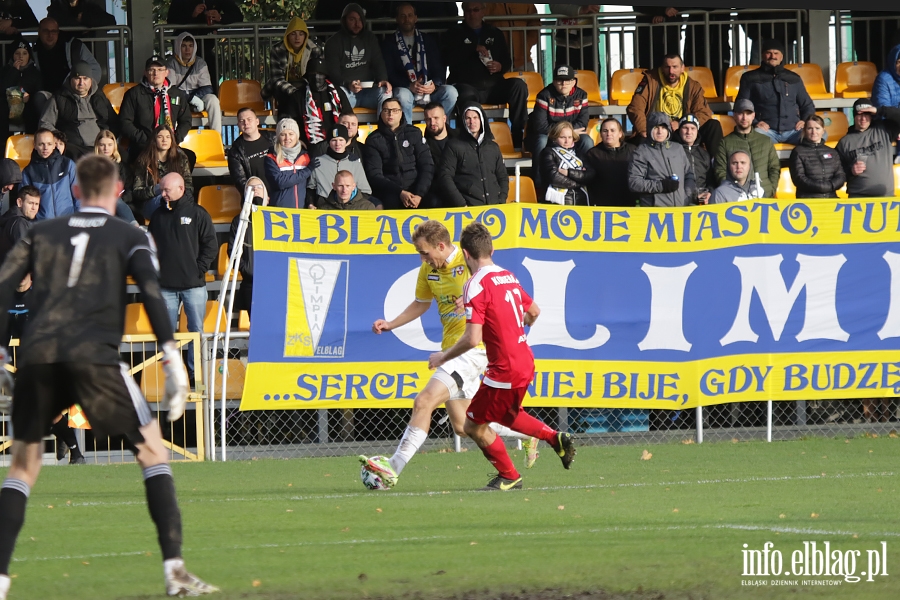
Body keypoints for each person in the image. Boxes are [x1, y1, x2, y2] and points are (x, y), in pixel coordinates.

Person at [0, 154, 218, 598]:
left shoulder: (41, 231)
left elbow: (4, 285)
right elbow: (153, 293)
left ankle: (0, 580)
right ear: (117, 190)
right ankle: (175, 571)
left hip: (40, 357)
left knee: (22, 468)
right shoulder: (128, 233)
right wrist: (172, 355)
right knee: (153, 453)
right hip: (95, 359)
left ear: (76, 191)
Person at [363, 220, 538, 489]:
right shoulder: (427, 270)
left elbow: (490, 290)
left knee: (424, 401)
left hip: (472, 349)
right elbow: (421, 303)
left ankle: (392, 468)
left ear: (441, 246)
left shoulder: (469, 264)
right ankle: (525, 434)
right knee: (463, 425)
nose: (423, 258)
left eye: (424, 252)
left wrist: (470, 297)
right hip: (454, 348)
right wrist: (391, 323)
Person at [427, 221, 576, 491]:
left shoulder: (474, 285)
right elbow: (534, 312)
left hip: (504, 368)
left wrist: (443, 356)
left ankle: (510, 475)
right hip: (524, 360)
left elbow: (473, 338)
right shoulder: (508, 275)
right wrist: (517, 325)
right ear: (492, 249)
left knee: (472, 425)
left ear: (466, 254)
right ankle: (555, 439)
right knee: (507, 414)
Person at [147, 171, 216, 382]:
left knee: (195, 331)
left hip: (193, 285)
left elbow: (211, 246)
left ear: (181, 189)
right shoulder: (157, 216)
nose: (163, 194)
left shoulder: (198, 213)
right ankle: (171, 378)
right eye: (161, 190)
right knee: (167, 334)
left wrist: (198, 269)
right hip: (165, 286)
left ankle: (197, 376)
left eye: (167, 190)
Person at [443, 2, 528, 149]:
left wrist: (500, 66)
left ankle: (518, 134)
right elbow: (447, 58)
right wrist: (472, 48)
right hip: (467, 85)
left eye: (475, 10)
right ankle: (468, 141)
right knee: (464, 94)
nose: (472, 14)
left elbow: (507, 60)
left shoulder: (494, 32)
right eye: (468, 10)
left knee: (519, 85)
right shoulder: (454, 32)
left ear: (483, 12)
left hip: (494, 86)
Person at [626, 53, 723, 158]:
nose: (671, 71)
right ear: (662, 68)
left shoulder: (693, 86)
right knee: (641, 141)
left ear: (682, 68)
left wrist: (682, 123)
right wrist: (645, 130)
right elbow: (635, 108)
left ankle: (717, 166)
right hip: (657, 130)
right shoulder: (650, 81)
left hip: (682, 130)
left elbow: (703, 112)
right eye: (667, 67)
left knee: (713, 125)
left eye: (675, 67)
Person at [382, 2, 457, 125]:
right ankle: (408, 135)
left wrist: (435, 84)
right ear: (397, 19)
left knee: (451, 92)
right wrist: (409, 85)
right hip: (406, 90)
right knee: (402, 95)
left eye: (410, 15)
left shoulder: (428, 40)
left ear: (415, 18)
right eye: (403, 16)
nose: (407, 19)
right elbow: (389, 73)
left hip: (429, 91)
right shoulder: (389, 43)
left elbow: (439, 68)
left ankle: (440, 130)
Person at [734, 39, 817, 146]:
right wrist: (755, 123)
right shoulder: (750, 78)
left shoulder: (793, 78)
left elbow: (808, 105)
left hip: (794, 131)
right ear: (763, 55)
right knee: (754, 137)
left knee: (819, 135)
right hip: (766, 132)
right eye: (769, 53)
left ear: (781, 56)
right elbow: (740, 105)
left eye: (776, 53)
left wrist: (805, 121)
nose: (772, 56)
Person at [361, 97, 433, 210]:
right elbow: (374, 175)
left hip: (416, 190)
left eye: (395, 110)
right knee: (391, 203)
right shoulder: (373, 139)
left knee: (434, 202)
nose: (390, 114)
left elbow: (427, 165)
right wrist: (400, 192)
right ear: (381, 114)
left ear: (401, 113)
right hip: (390, 191)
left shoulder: (414, 133)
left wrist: (419, 194)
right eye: (386, 110)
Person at [527, 64, 592, 189]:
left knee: (587, 141)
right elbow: (540, 126)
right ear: (554, 81)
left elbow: (583, 122)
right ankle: (538, 186)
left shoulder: (581, 95)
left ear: (574, 82)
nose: (563, 84)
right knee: (541, 140)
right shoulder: (544, 95)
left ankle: (589, 182)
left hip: (571, 136)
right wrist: (562, 133)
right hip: (549, 136)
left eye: (567, 80)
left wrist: (567, 134)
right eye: (559, 80)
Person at [38, 60, 118, 159]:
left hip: (101, 146)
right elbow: (45, 123)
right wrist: (58, 137)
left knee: (124, 157)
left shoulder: (100, 97)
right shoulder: (59, 98)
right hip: (74, 147)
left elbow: (114, 121)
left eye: (85, 78)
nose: (81, 83)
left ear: (91, 80)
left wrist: (110, 140)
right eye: (77, 78)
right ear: (71, 79)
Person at [119, 56, 192, 163]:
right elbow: (125, 122)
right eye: (151, 70)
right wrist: (145, 139)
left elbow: (186, 120)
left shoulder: (176, 94)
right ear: (145, 72)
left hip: (169, 145)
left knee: (189, 157)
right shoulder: (134, 94)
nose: (155, 73)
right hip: (143, 145)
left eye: (159, 70)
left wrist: (175, 139)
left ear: (167, 72)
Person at [324, 3, 392, 115]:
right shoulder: (333, 43)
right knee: (336, 96)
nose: (357, 24)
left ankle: (384, 131)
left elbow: (378, 62)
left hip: (368, 91)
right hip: (346, 91)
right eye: (352, 19)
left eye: (360, 19)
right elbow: (333, 74)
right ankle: (342, 131)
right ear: (344, 20)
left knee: (386, 92)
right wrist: (348, 84)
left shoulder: (370, 38)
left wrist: (383, 79)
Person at [435, 103, 507, 207]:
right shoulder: (453, 145)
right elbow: (445, 177)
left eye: (475, 117)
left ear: (481, 120)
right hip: (467, 210)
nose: (472, 121)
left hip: (495, 208)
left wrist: (501, 200)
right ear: (463, 121)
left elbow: (503, 176)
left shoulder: (493, 147)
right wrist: (461, 204)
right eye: (468, 118)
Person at [31, 17, 102, 116]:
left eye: (54, 31)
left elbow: (95, 69)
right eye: (46, 31)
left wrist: (83, 89)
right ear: (39, 32)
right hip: (50, 95)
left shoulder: (74, 46)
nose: (50, 35)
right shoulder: (34, 51)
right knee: (38, 98)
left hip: (74, 94)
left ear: (58, 32)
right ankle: (49, 129)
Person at [166, 0, 243, 89]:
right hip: (184, 50)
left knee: (211, 79)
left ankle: (211, 97)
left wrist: (220, 17)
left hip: (206, 48)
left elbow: (238, 16)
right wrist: (192, 15)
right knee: (182, 81)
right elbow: (171, 19)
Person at [714, 98, 780, 198]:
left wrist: (770, 189)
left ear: (753, 115)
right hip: (737, 200)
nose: (744, 118)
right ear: (734, 115)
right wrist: (732, 193)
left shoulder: (766, 141)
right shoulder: (725, 143)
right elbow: (720, 172)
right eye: (741, 113)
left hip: (765, 197)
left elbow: (775, 168)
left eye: (748, 113)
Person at [628, 111, 696, 207]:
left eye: (663, 127)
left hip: (680, 210)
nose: (660, 131)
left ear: (668, 129)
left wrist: (687, 196)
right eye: (656, 128)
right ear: (649, 129)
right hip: (655, 213)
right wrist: (661, 186)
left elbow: (689, 175)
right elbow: (634, 183)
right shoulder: (641, 152)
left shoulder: (678, 148)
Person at [836, 98, 900, 198]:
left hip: (886, 198)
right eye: (859, 115)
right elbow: (836, 171)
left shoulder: (883, 130)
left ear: (872, 116)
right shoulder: (844, 142)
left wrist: (879, 110)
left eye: (867, 114)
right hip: (858, 198)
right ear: (854, 116)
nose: (863, 119)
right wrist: (850, 171)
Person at [293, 46, 353, 152]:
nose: (316, 77)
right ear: (307, 77)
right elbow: (289, 119)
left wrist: (350, 138)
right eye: (313, 74)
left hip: (338, 143)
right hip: (309, 145)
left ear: (325, 76)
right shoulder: (299, 95)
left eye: (320, 74)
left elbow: (349, 117)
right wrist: (298, 140)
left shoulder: (337, 92)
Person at [131, 125, 193, 224]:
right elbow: (137, 192)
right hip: (151, 202)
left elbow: (188, 185)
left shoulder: (181, 158)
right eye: (160, 137)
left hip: (177, 199)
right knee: (165, 200)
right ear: (154, 140)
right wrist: (158, 189)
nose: (164, 140)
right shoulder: (144, 160)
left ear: (172, 140)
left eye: (168, 137)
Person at [261, 16, 318, 122]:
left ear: (305, 36)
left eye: (301, 34)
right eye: (293, 34)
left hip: (305, 86)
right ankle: (285, 123)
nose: (297, 38)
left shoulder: (314, 49)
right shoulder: (277, 50)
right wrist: (294, 92)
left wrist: (302, 93)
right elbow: (277, 79)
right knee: (287, 98)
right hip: (283, 86)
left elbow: (318, 76)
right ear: (287, 35)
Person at [166, 32, 222, 134]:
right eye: (184, 46)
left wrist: (194, 97)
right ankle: (175, 137)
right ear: (178, 47)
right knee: (172, 102)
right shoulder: (171, 63)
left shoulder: (200, 63)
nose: (188, 50)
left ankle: (217, 136)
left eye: (191, 46)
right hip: (179, 97)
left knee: (213, 99)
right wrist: (189, 98)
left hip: (197, 96)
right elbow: (171, 89)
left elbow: (208, 88)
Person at [227, 176, 266, 315]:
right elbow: (233, 251)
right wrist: (247, 269)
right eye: (251, 187)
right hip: (251, 283)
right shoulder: (239, 221)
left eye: (259, 187)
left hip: (272, 283)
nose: (255, 190)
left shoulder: (276, 217)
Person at [308, 124, 373, 206]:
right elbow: (311, 188)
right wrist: (310, 203)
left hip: (350, 208)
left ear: (346, 141)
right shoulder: (318, 162)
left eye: (341, 140)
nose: (337, 144)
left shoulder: (355, 162)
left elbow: (365, 191)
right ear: (328, 142)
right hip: (325, 207)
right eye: (334, 140)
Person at [22, 128, 77, 220]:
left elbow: (79, 195)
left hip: (68, 223)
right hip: (43, 226)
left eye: (49, 144)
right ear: (35, 145)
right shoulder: (28, 171)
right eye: (41, 144)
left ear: (54, 145)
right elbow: (26, 204)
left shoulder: (68, 164)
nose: (45, 148)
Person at [788, 114, 846, 199]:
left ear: (823, 130)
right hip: (808, 201)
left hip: (831, 199)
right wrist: (822, 187)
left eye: (817, 128)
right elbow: (799, 179)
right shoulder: (797, 152)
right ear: (805, 130)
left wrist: (831, 186)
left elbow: (841, 175)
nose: (814, 132)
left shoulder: (832, 152)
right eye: (810, 128)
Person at [585, 118, 638, 207]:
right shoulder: (592, 154)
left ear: (620, 134)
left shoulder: (633, 151)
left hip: (629, 204)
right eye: (605, 131)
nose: (609, 134)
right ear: (601, 134)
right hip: (602, 206)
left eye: (612, 130)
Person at [538, 121, 595, 205]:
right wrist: (578, 183)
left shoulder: (579, 153)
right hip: (557, 203)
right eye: (562, 137)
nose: (567, 141)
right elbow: (553, 176)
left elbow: (590, 174)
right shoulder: (548, 152)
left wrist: (568, 172)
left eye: (570, 137)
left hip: (581, 199)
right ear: (554, 137)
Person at [264, 117, 312, 209]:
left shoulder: (306, 156)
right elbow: (280, 182)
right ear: (278, 137)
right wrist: (307, 171)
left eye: (291, 134)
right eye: (283, 134)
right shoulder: (271, 158)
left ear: (297, 136)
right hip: (281, 213)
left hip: (303, 212)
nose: (287, 138)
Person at [228, 107, 275, 193]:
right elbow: (240, 181)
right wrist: (258, 196)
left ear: (257, 121)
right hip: (256, 198)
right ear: (238, 125)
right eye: (242, 121)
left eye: (249, 119)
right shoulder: (235, 152)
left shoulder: (274, 139)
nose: (246, 123)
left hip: (279, 196)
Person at [0, 38, 41, 137]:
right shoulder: (5, 70)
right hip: (7, 107)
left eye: (24, 53)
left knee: (32, 112)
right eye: (17, 53)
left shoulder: (34, 73)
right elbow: (2, 88)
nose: (21, 57)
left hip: (26, 106)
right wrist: (14, 71)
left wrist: (29, 96)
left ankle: (31, 142)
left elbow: (40, 91)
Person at [94, 129, 137, 221]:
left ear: (114, 146)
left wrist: (122, 198)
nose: (106, 148)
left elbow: (129, 189)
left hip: (120, 202)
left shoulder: (122, 167)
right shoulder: (91, 166)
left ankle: (135, 228)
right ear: (97, 146)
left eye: (110, 145)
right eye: (102, 145)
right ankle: (135, 227)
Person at [484, 3, 539, 72]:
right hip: (498, 62)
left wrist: (527, 45)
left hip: (524, 60)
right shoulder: (488, 4)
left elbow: (535, 24)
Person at [548, 3, 599, 71]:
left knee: (591, 78)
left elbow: (594, 7)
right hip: (565, 42)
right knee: (563, 78)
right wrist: (580, 10)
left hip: (589, 41)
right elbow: (555, 7)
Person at [633, 6, 683, 71]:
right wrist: (662, 11)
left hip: (670, 34)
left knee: (671, 67)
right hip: (648, 36)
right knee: (650, 69)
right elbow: (638, 6)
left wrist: (667, 11)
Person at [677, 115, 713, 204]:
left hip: (702, 202)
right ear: (679, 130)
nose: (689, 132)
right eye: (685, 128)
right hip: (680, 202)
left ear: (697, 131)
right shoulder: (672, 152)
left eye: (693, 128)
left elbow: (711, 180)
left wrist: (709, 192)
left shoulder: (704, 154)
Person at [0, 184, 37, 262]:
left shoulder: (10, 218)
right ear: (19, 202)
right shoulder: (19, 223)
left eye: (36, 204)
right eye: (30, 203)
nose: (34, 208)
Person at [422, 102, 455, 166]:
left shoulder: (459, 139)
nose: (432, 123)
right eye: (428, 119)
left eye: (436, 118)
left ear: (444, 119)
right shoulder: (423, 147)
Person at [872, 43, 900, 109]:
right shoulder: (883, 79)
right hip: (891, 118)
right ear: (893, 63)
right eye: (898, 62)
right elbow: (883, 109)